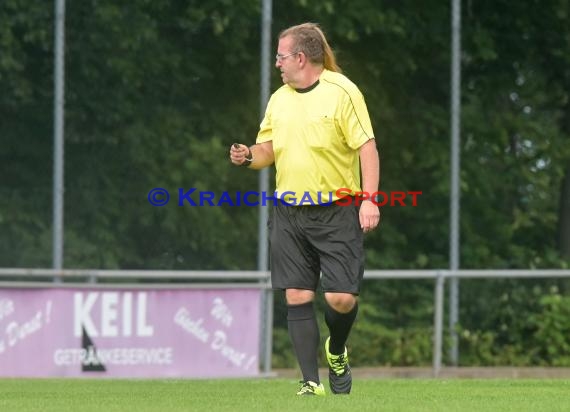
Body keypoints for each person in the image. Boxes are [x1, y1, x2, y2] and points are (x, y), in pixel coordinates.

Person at [229, 22, 380, 396]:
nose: (277, 64)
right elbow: (268, 151)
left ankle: (337, 349)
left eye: (281, 56)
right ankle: (311, 382)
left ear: (300, 57)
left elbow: (367, 147)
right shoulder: (279, 98)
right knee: (297, 295)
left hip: (337, 210)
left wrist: (369, 198)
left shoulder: (342, 92)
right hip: (290, 212)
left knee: (341, 298)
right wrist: (249, 156)